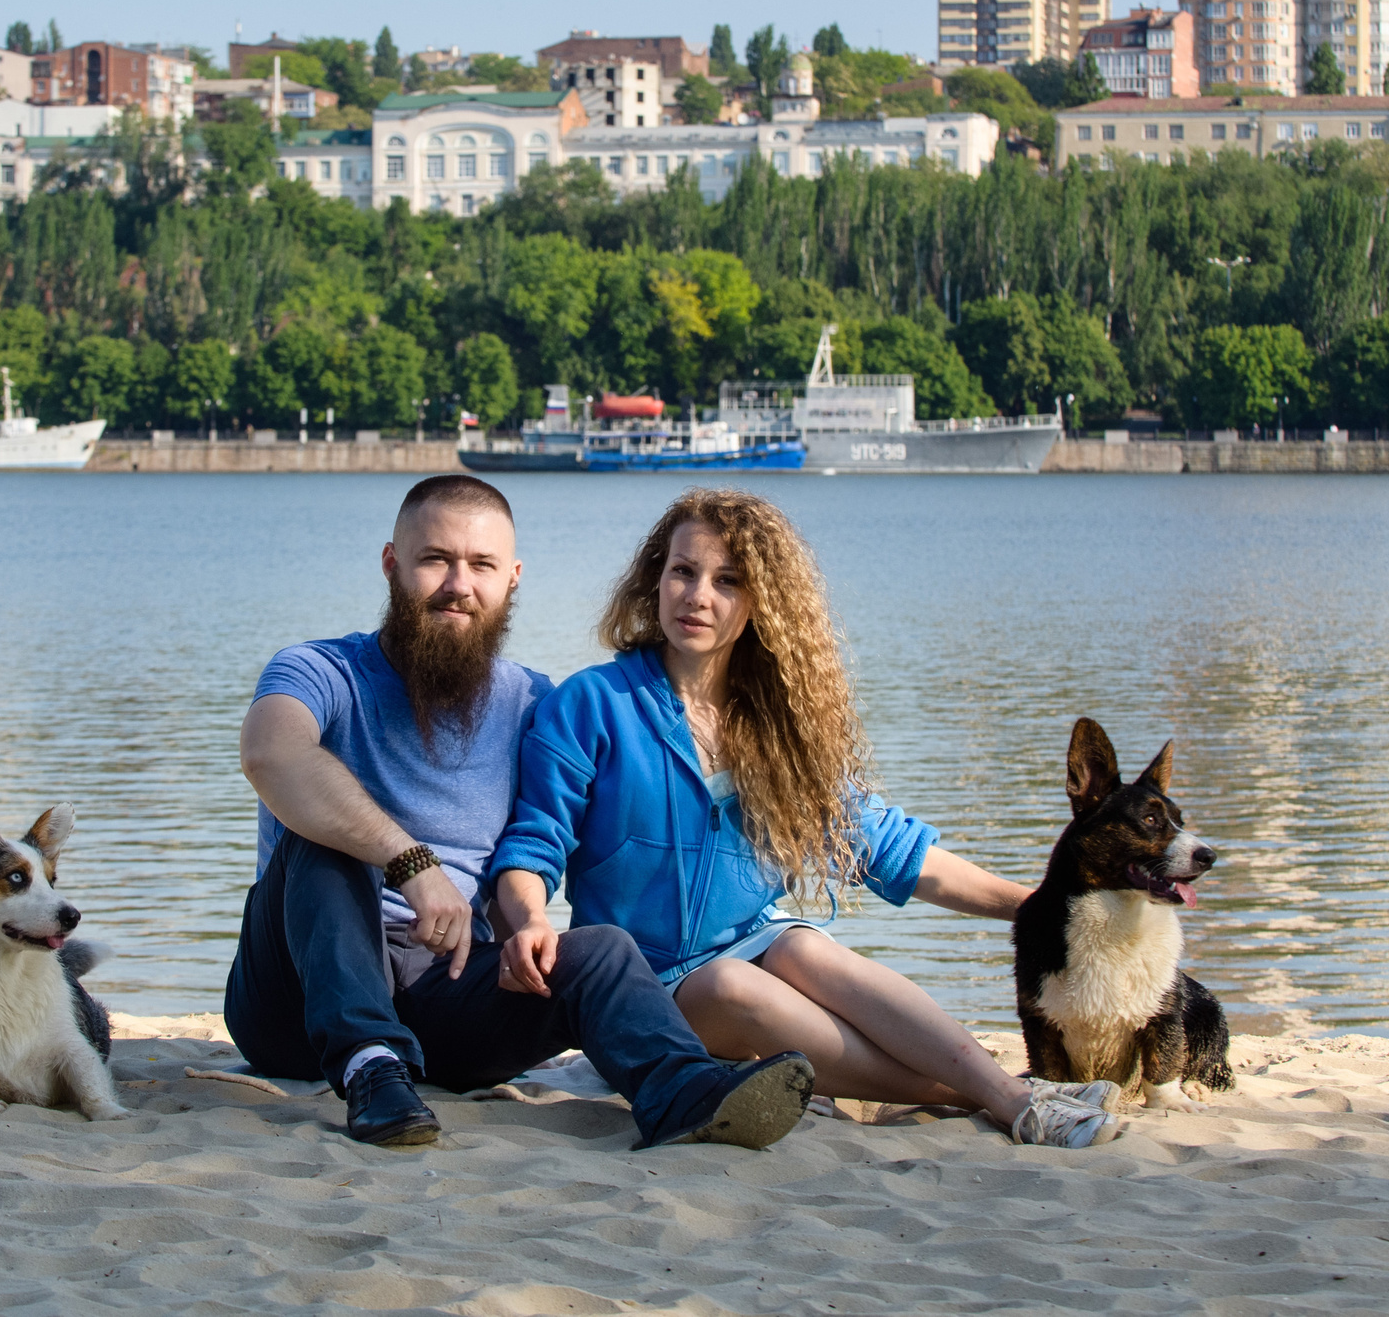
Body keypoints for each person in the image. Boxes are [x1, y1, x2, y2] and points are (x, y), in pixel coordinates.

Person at [487, 487, 1129, 1148]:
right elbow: (532, 846)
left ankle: (1008, 1094)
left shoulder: (779, 729)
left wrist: (1036, 906)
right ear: (656, 577)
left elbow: (890, 849)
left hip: (759, 948)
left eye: (727, 580)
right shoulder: (591, 704)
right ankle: (1006, 1096)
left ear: (763, 601)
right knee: (734, 982)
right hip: (645, 991)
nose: (697, 595)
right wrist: (531, 919)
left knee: (799, 945)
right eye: (683, 570)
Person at [223, 474, 816, 1150]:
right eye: (434, 560)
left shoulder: (535, 701)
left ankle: (681, 1089)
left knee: (599, 952)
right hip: (295, 998)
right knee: (327, 839)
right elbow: (271, 754)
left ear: (512, 579)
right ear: (392, 564)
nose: (458, 583)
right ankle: (369, 1065)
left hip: (441, 992)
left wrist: (528, 928)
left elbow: (548, 845)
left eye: (481, 565)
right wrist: (410, 861)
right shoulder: (321, 670)